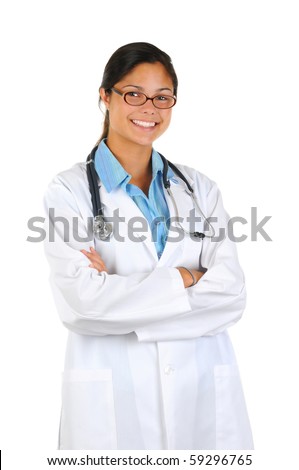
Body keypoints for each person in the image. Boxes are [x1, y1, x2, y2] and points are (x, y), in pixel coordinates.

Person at [43, 42, 254, 450]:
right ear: (105, 96)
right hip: (112, 399)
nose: (149, 108)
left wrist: (121, 295)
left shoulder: (199, 189)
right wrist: (186, 278)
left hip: (200, 390)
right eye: (134, 93)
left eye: (163, 98)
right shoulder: (68, 192)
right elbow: (82, 305)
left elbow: (232, 295)